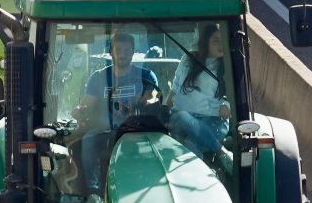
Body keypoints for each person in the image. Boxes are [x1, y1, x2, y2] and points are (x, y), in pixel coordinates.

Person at [73, 30, 160, 193]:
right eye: (118, 50)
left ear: (133, 52)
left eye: (127, 50)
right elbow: (85, 106)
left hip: (136, 130)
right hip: (104, 130)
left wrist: (143, 102)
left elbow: (153, 97)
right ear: (111, 52)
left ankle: (148, 187)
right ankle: (93, 191)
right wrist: (79, 111)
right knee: (87, 140)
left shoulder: (146, 76)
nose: (123, 54)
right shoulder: (98, 77)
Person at [168, 22, 232, 158]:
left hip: (213, 121)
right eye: (216, 41)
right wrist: (164, 110)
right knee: (182, 116)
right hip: (183, 118)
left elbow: (232, 96)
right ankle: (221, 152)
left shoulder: (228, 65)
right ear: (205, 41)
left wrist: (227, 105)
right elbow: (175, 89)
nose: (221, 45)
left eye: (223, 41)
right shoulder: (188, 59)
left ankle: (201, 164)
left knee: (189, 143)